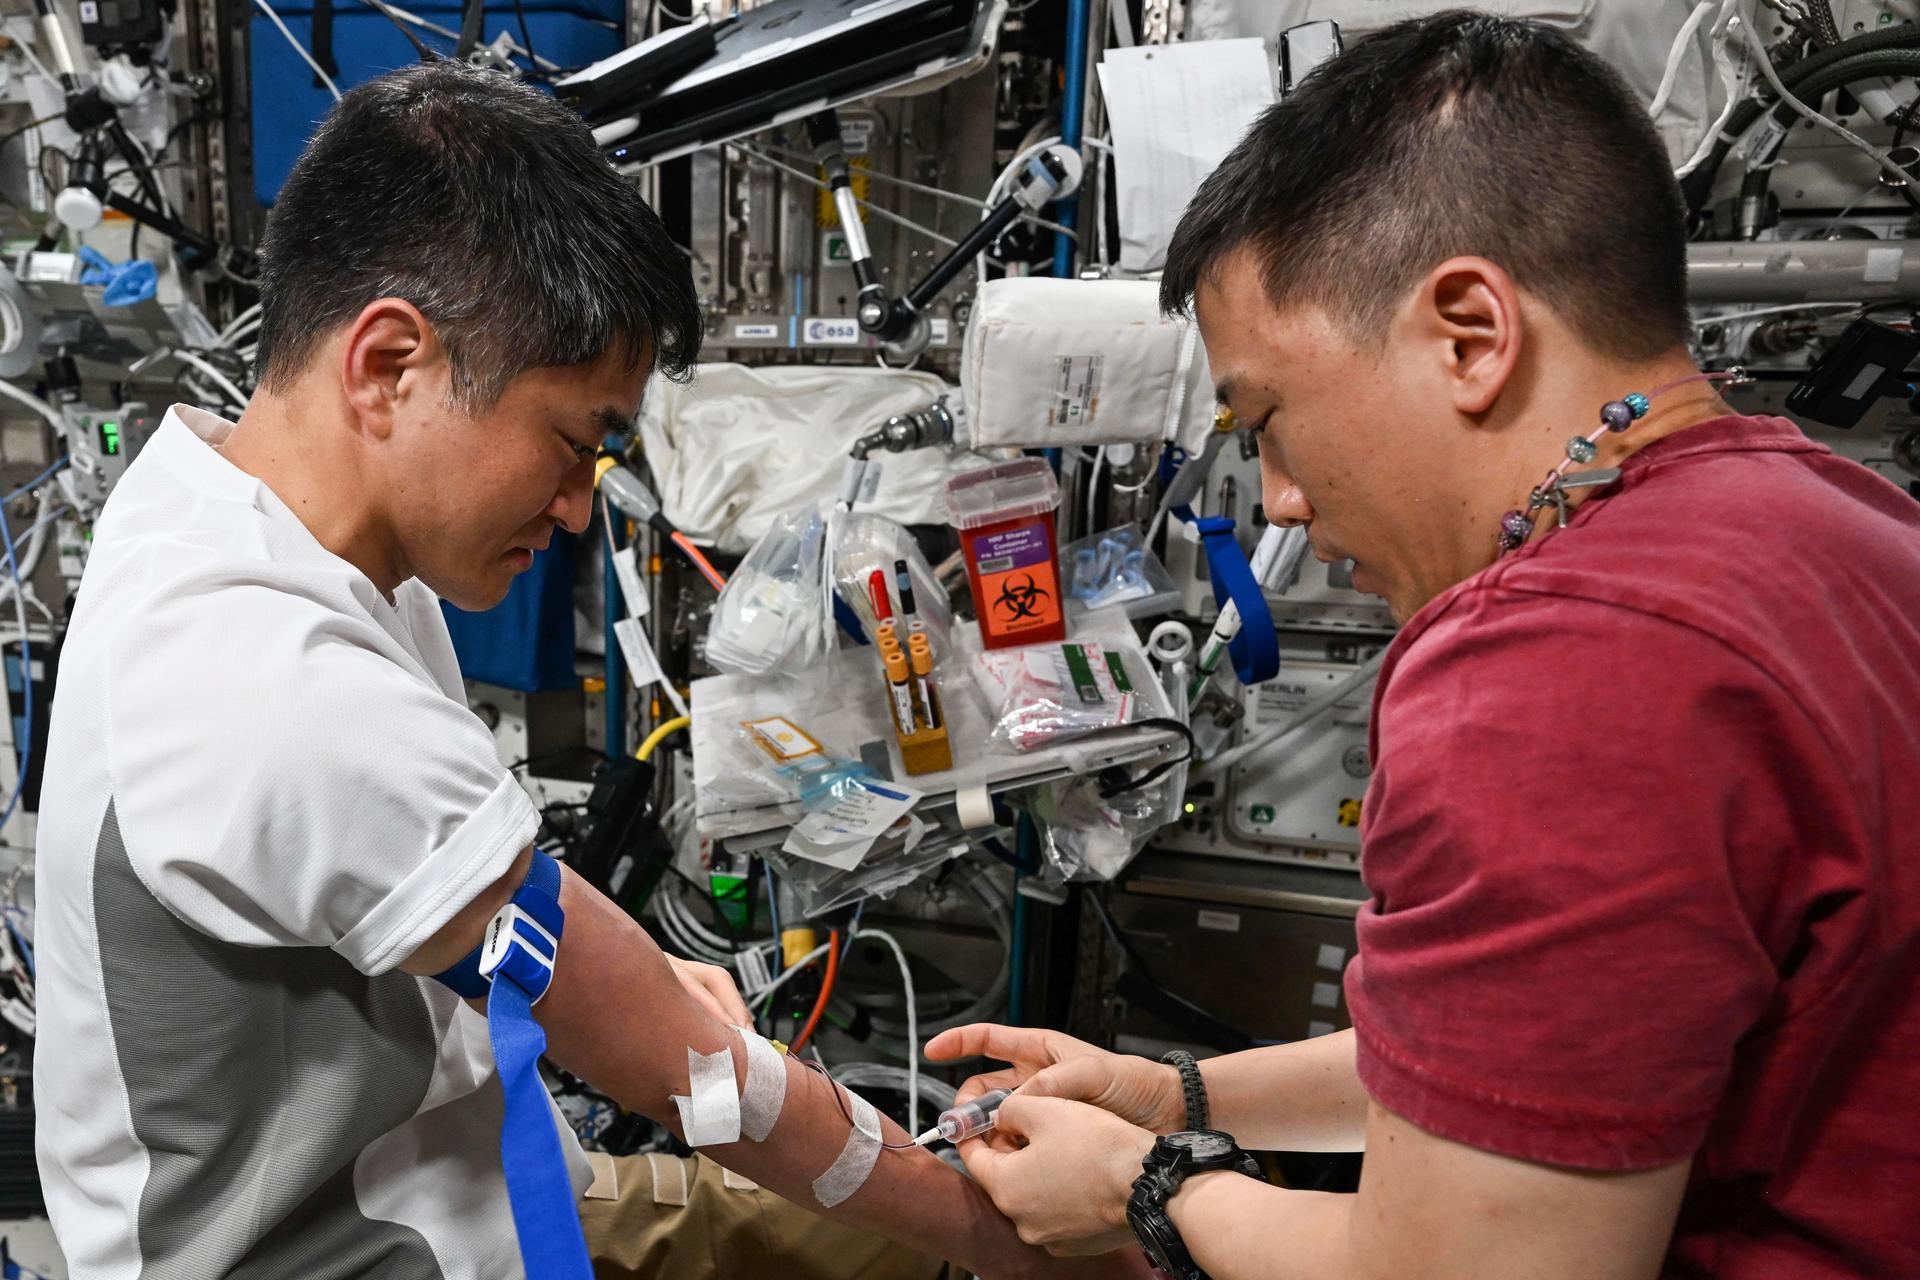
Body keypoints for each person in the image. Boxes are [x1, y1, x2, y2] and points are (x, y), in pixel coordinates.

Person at [31, 61, 1127, 1280]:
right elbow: (686, 1068)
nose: (572, 507)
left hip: (451, 1166)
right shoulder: (272, 677)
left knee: (838, 1222)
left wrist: (647, 996)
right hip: (361, 1247)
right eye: (574, 443)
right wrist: (1023, 1246)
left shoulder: (220, 505)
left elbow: (539, 945)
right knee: (910, 1217)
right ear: (389, 365)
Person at [926, 11, 1920, 1279]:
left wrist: (1146, 1190)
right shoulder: (1847, 528)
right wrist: (1170, 1094)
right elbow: (1537, 1067)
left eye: (1268, 417)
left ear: (1467, 330)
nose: (1279, 495)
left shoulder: (1552, 662)